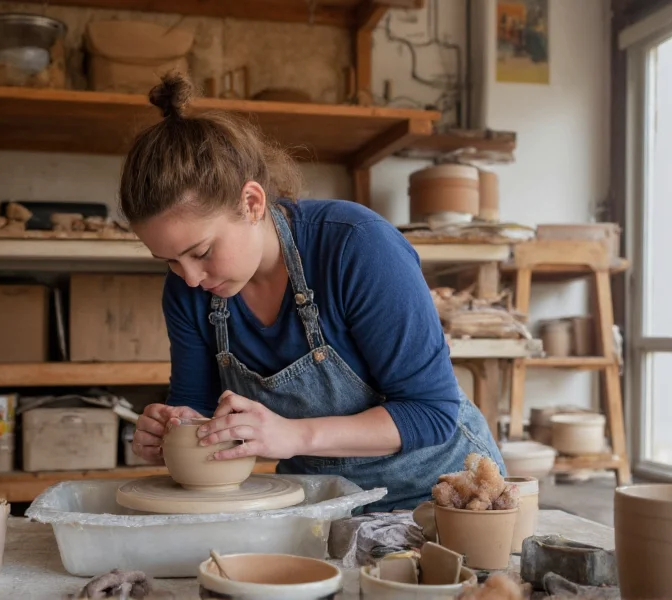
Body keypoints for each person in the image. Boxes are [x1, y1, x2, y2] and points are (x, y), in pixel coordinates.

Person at [123, 72, 506, 512]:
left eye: (202, 251)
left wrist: (294, 434)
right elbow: (199, 407)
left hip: (443, 494)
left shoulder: (357, 245)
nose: (190, 277)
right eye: (170, 260)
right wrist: (176, 428)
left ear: (252, 203)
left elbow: (431, 412)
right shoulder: (188, 291)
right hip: (321, 501)